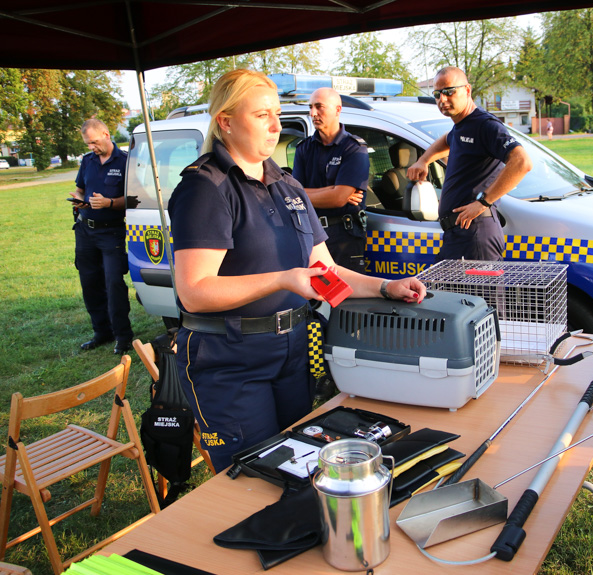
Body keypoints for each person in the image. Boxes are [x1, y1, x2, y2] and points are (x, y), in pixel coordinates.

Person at [167, 70, 426, 472]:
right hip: (231, 360)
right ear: (226, 121)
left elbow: (325, 270)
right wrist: (284, 278)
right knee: (254, 477)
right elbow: (194, 292)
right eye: (261, 115)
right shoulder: (205, 188)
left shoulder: (287, 185)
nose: (275, 126)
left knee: (301, 466)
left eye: (276, 114)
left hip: (292, 351)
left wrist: (386, 286)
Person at [407, 66, 532, 262]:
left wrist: (483, 202)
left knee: (479, 294)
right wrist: (423, 161)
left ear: (467, 90)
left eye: (449, 92)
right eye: (437, 94)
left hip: (475, 235)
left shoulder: (485, 125)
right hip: (457, 235)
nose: (443, 100)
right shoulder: (462, 126)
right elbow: (448, 139)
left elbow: (521, 162)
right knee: (445, 292)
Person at [70, 118, 133, 354]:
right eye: (88, 144)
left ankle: (123, 335)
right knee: (90, 283)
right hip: (86, 230)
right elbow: (80, 189)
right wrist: (79, 201)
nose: (91, 147)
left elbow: (134, 200)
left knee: (114, 283)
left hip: (111, 233)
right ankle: (102, 332)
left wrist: (109, 203)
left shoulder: (126, 161)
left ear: (106, 135)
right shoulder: (87, 162)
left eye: (94, 142)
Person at [292, 88, 370, 273]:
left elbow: (338, 199)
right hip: (311, 233)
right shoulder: (304, 148)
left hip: (344, 235)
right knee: (315, 297)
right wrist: (335, 191)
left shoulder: (354, 148)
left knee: (345, 297)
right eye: (310, 107)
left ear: (337, 109)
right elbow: (294, 194)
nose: (313, 113)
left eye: (319, 107)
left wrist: (336, 194)